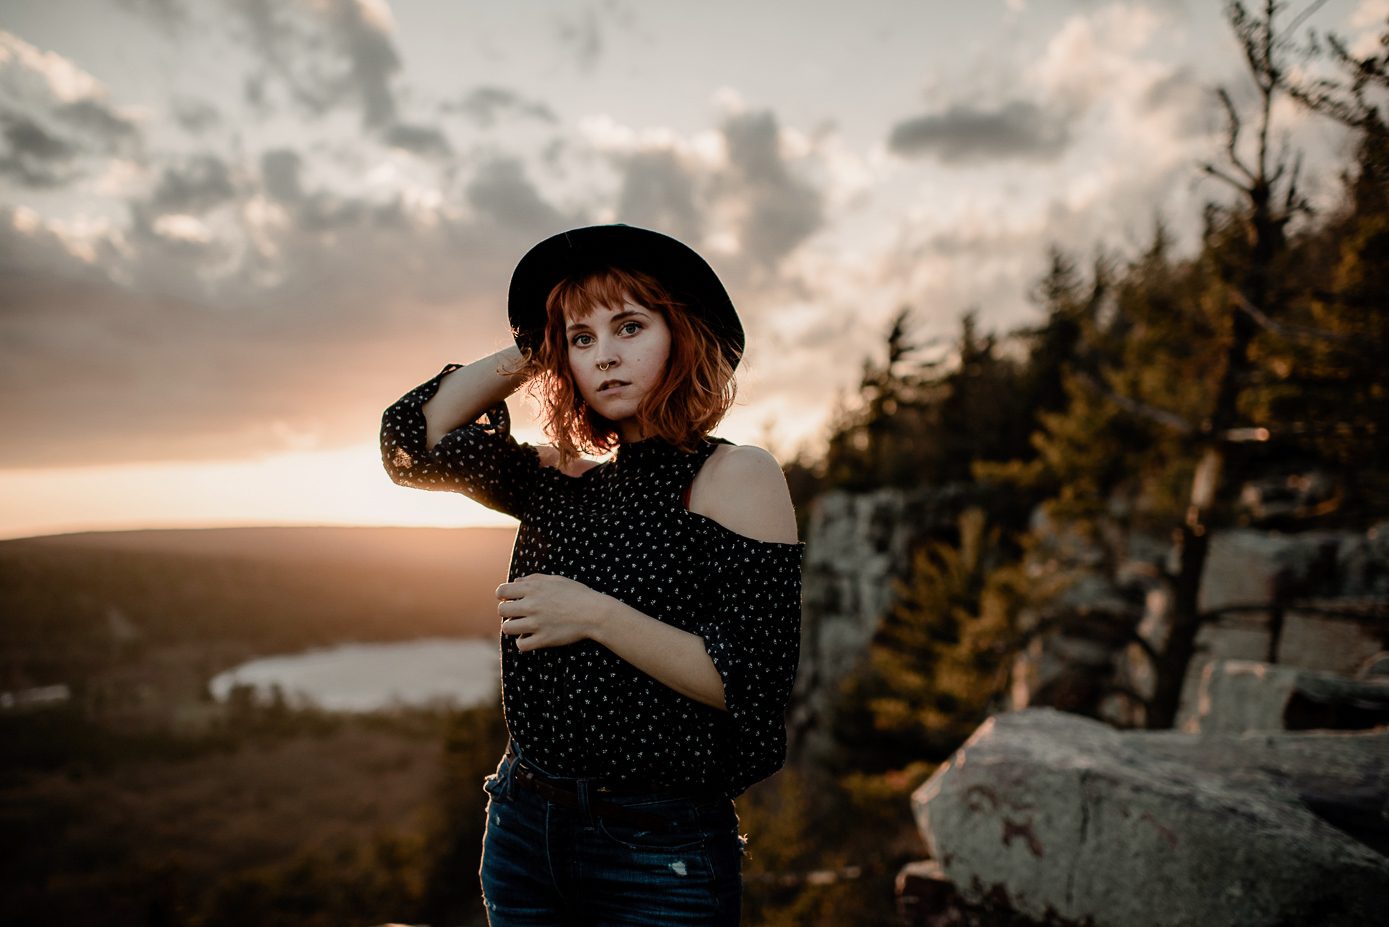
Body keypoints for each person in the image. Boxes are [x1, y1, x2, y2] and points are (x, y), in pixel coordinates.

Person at [379, 224, 803, 926]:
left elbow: (750, 683)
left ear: (682, 335)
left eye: (629, 327)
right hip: (521, 823)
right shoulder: (562, 480)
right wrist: (530, 350)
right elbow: (408, 445)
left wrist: (593, 613)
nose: (604, 355)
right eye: (580, 339)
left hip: (656, 845)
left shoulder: (734, 475)